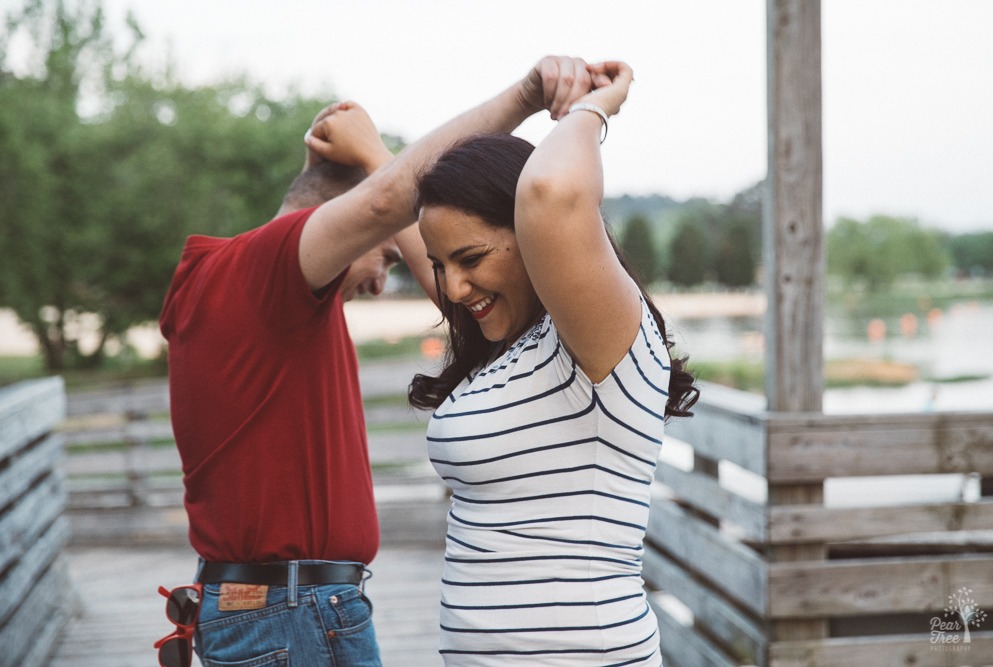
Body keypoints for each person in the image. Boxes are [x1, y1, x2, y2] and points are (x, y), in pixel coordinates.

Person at [158, 56, 596, 667]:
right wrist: (524, 97)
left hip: (281, 611)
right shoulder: (258, 276)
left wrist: (373, 165)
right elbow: (384, 202)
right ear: (336, 221)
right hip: (289, 614)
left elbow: (444, 284)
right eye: (388, 258)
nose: (383, 284)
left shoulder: (267, 303)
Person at [408, 61, 699, 665]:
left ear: (533, 237)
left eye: (471, 258)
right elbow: (411, 209)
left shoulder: (594, 347)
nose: (455, 289)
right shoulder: (508, 346)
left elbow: (549, 193)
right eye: (442, 267)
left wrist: (593, 107)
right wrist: (371, 157)